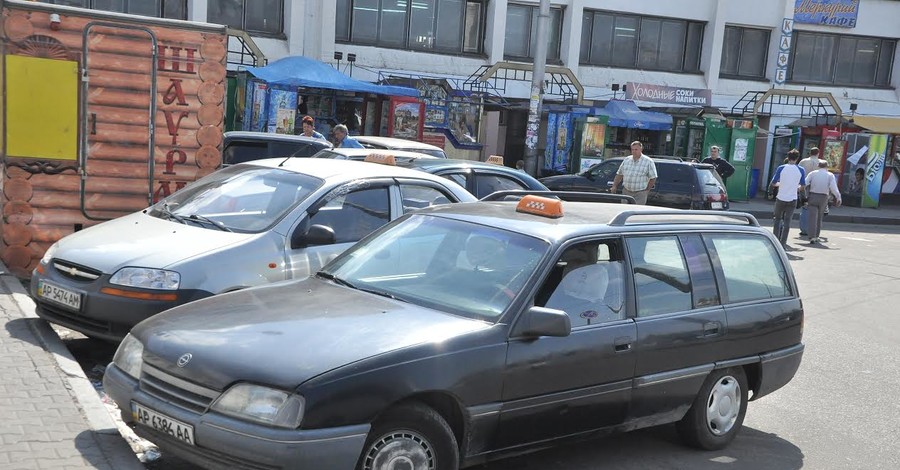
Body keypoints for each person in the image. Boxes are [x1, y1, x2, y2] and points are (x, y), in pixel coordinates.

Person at [769, 149, 806, 249]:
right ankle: (783, 243)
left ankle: (775, 242)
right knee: (787, 221)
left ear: (788, 157)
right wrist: (796, 188)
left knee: (777, 219)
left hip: (780, 197)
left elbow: (773, 183)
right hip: (792, 198)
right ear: (797, 158)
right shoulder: (801, 170)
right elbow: (803, 186)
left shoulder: (781, 168)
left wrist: (780, 185)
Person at [805, 159, 842, 245]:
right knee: (819, 217)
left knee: (812, 217)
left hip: (813, 196)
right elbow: (833, 188)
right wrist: (838, 197)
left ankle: (812, 236)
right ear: (826, 167)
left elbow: (805, 183)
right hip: (824, 197)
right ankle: (817, 236)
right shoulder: (830, 175)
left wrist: (798, 190)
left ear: (818, 166)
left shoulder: (812, 173)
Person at [797, 147, 823, 237]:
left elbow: (798, 172)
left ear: (810, 153)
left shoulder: (803, 161)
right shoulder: (821, 163)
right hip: (816, 189)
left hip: (804, 187)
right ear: (818, 153)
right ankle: (812, 230)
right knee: (815, 210)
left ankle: (803, 229)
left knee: (805, 207)